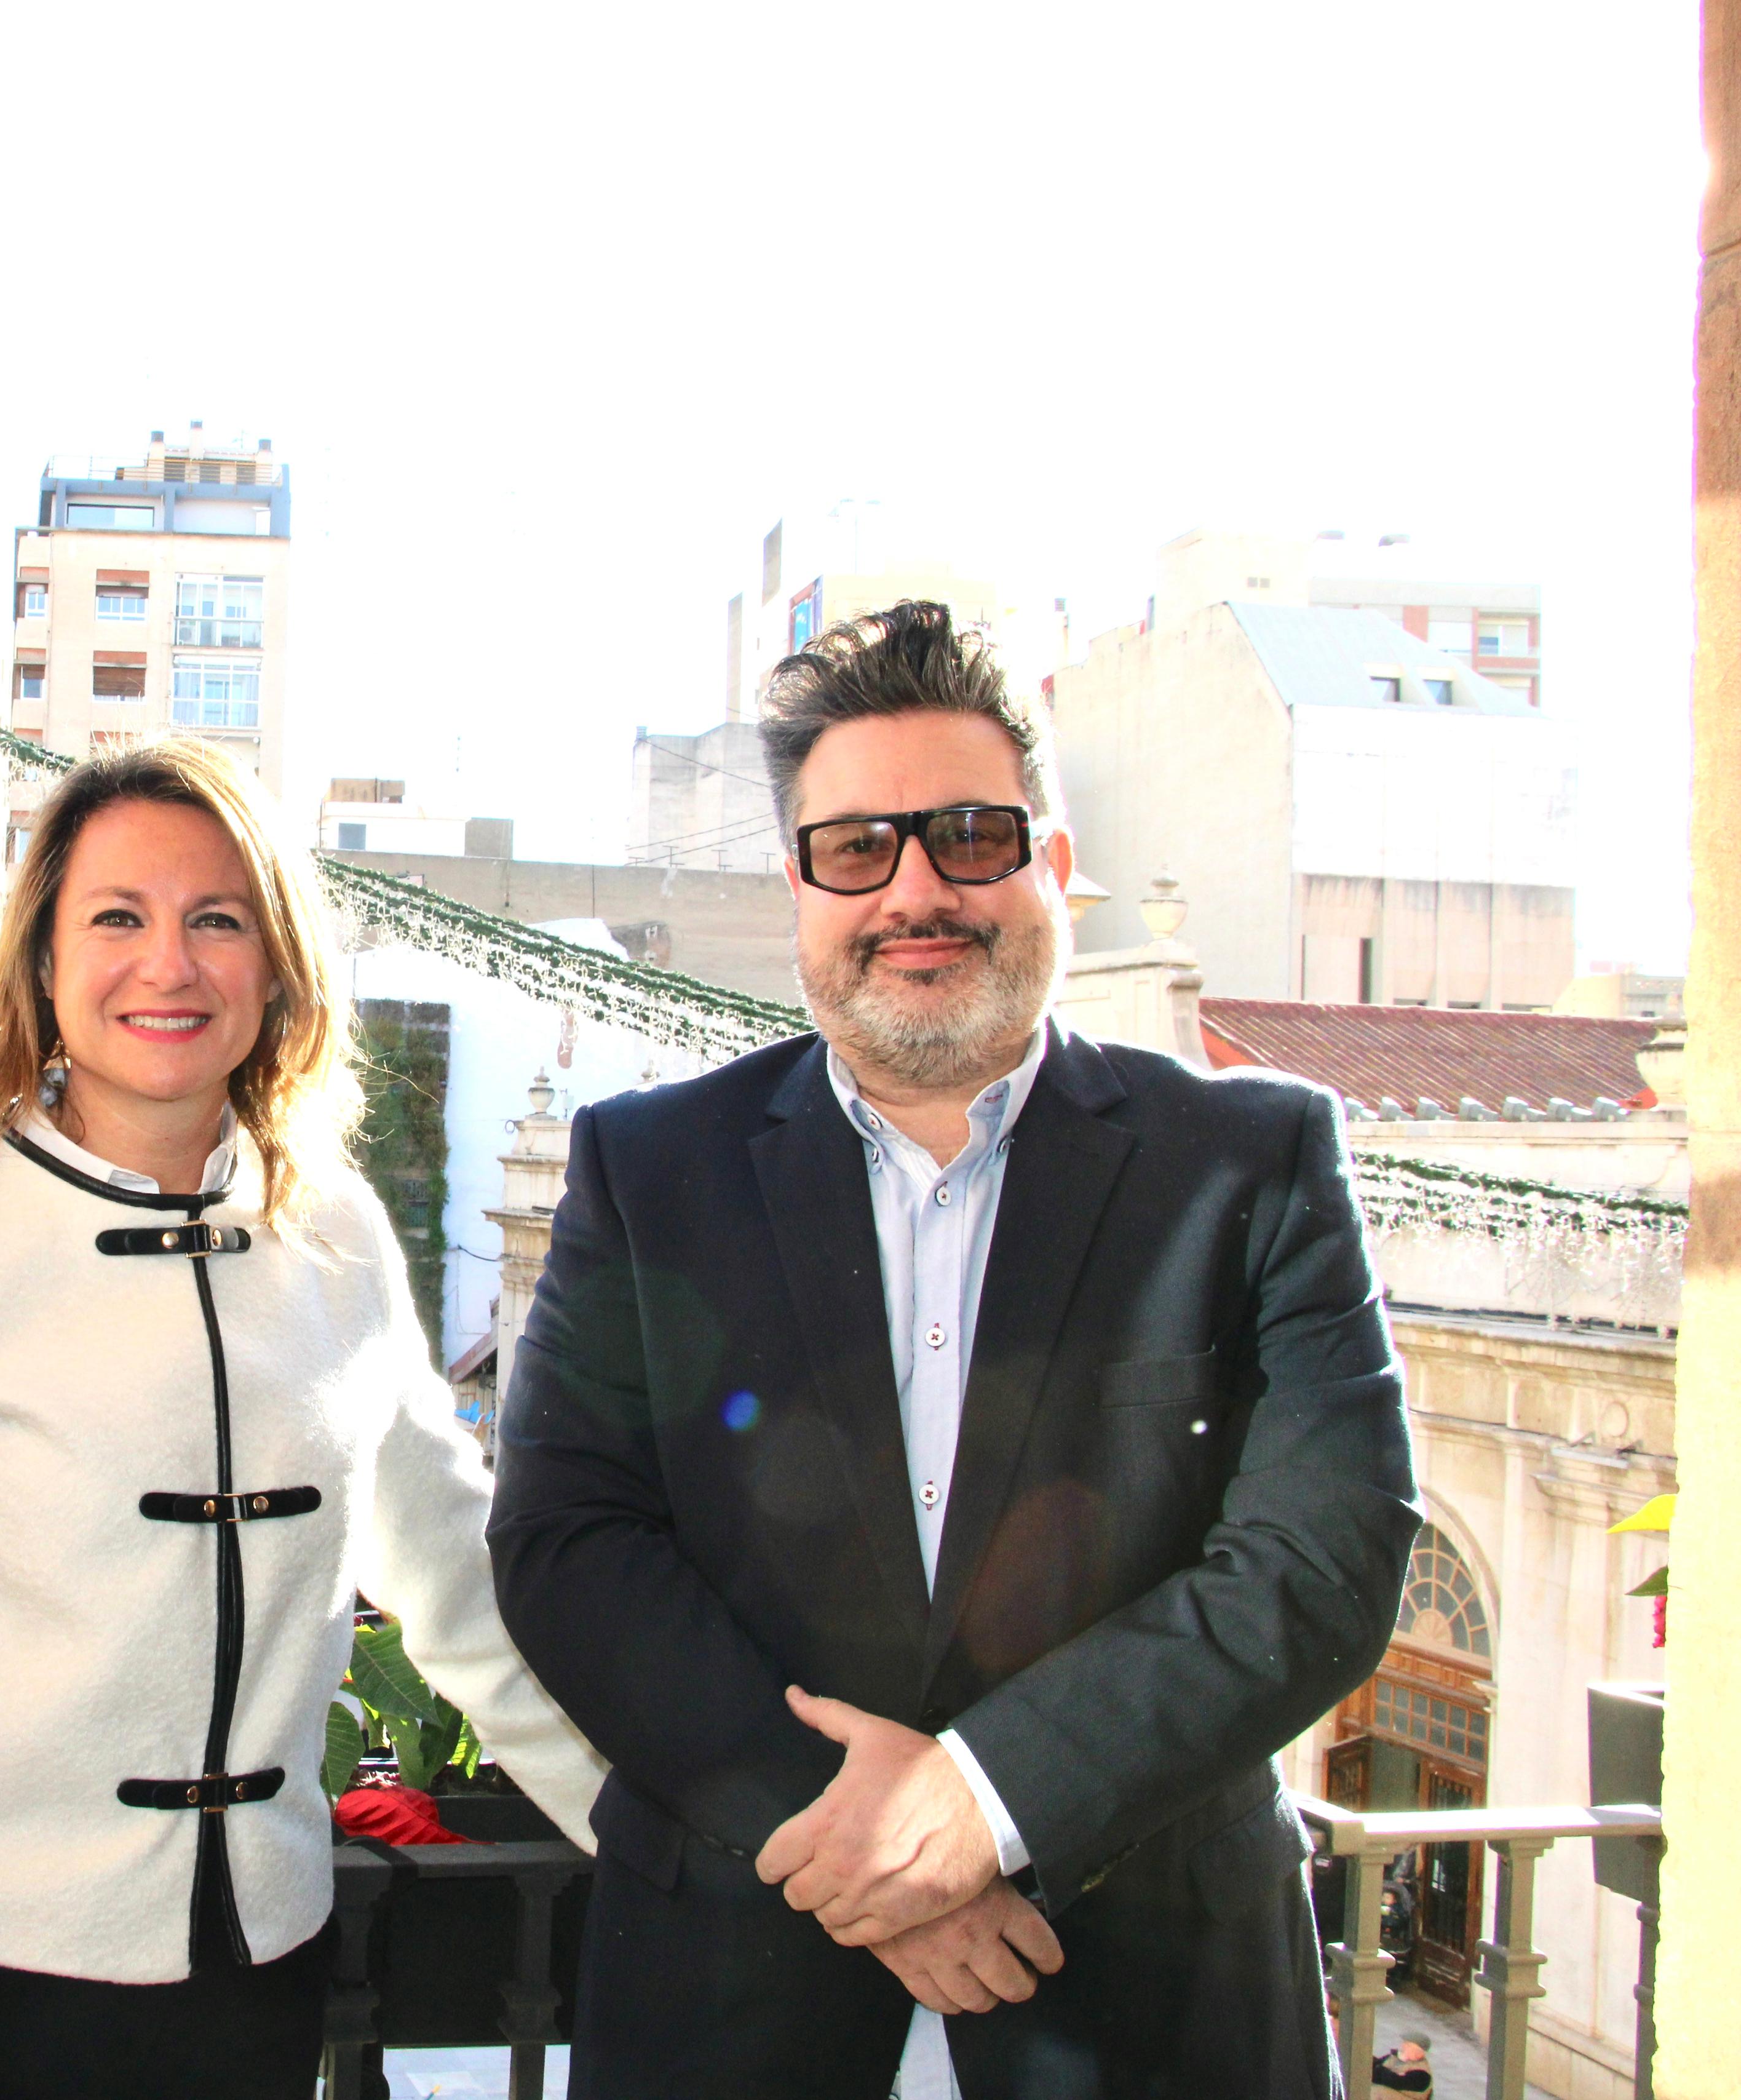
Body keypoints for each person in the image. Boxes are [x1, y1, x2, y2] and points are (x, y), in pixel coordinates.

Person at [487, 601, 1419, 2099]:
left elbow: (1325, 1555)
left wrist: (985, 1807)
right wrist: (854, 1839)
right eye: (855, 848)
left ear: (1054, 867)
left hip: (1148, 2012)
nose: (914, 890)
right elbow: (565, 1544)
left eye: (970, 835)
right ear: (798, 888)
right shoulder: (647, 1169)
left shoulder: (1250, 1164)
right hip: (733, 1998)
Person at [0, 738, 606, 2100]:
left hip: (264, 1988)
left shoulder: (334, 1232)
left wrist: (679, 1842)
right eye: (118, 918)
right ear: (40, 962)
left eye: (219, 920)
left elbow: (467, 1595)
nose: (170, 964)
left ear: (275, 969)